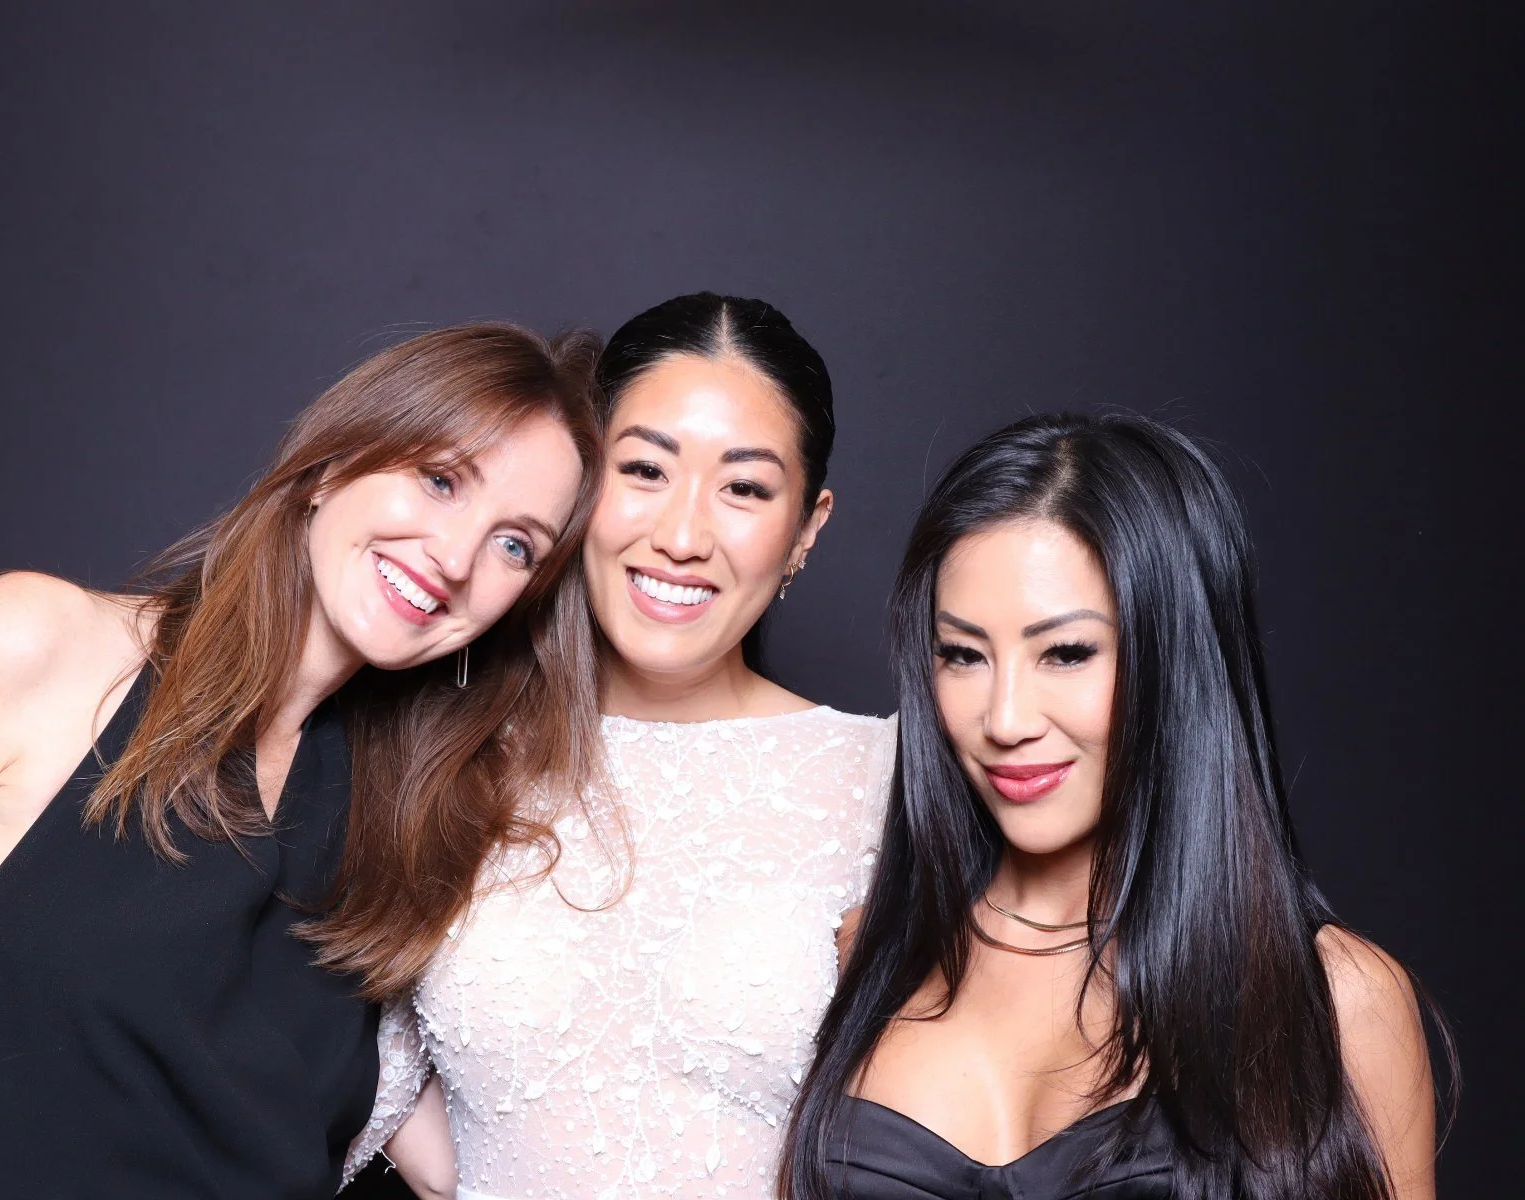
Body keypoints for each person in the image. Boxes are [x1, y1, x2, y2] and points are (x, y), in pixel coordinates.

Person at [0, 323, 606, 1200]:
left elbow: (468, 1157)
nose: (455, 559)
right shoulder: (41, 648)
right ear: (336, 464)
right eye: (441, 479)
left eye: (514, 545)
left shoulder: (400, 818)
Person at [781, 413, 1452, 1200]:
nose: (1004, 719)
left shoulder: (1333, 1001)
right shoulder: (869, 955)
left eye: (1065, 653)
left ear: (1176, 658)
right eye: (963, 655)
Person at [351, 293, 897, 1200]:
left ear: (807, 528)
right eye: (644, 470)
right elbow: (344, 1078)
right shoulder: (449, 748)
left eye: (746, 488)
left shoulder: (883, 780)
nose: (681, 536)